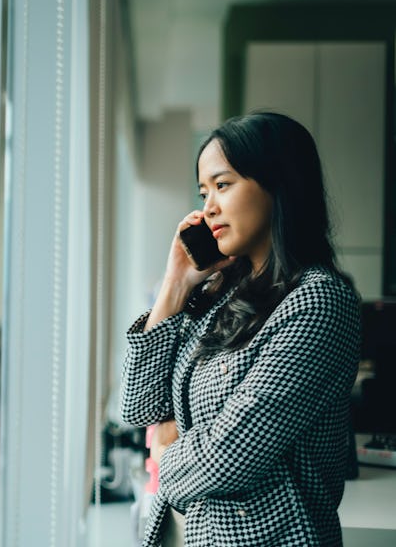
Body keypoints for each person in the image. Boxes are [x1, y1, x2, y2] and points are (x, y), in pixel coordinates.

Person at [119, 112, 361, 546]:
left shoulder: (319, 301)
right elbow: (138, 407)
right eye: (203, 191)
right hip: (181, 534)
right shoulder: (221, 297)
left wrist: (163, 454)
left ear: (277, 184)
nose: (207, 206)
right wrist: (174, 284)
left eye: (223, 185)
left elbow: (231, 453)